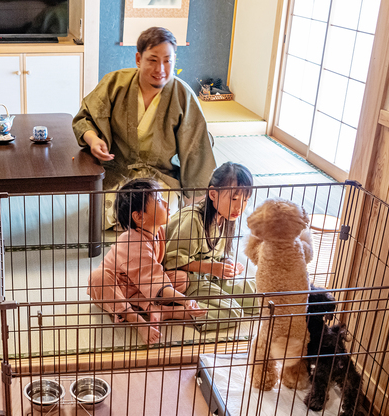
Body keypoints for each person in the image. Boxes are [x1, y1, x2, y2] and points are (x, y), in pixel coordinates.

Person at [73, 26, 216, 229]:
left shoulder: (183, 95)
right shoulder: (114, 83)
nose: (161, 69)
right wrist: (93, 139)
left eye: (168, 60)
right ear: (138, 59)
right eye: (153, 60)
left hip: (161, 177)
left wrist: (195, 203)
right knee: (102, 217)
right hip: (119, 172)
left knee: (162, 220)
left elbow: (197, 148)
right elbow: (84, 118)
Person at [88, 178, 206, 345]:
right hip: (119, 286)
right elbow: (153, 280)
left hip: (141, 285)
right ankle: (137, 319)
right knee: (98, 279)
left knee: (181, 278)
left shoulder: (159, 233)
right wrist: (185, 300)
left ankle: (160, 311)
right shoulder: (131, 242)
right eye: (158, 200)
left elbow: (155, 274)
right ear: (139, 217)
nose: (165, 202)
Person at [163, 162, 257, 331]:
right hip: (188, 280)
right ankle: (168, 311)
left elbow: (221, 252)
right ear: (213, 194)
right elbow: (172, 260)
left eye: (245, 200)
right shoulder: (193, 219)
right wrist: (211, 268)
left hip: (210, 276)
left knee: (259, 293)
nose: (239, 207)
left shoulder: (227, 216)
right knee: (233, 312)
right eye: (234, 199)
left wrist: (227, 262)